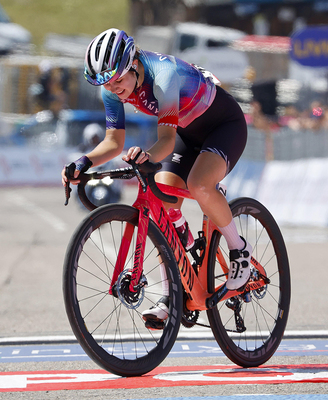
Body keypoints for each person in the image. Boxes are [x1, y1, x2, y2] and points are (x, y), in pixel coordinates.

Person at [61, 28, 252, 326]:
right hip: (186, 133)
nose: (114, 89)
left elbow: (164, 140)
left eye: (118, 81)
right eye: (107, 84)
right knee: (162, 199)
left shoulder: (163, 75)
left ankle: (239, 250)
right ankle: (173, 290)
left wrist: (147, 156)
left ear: (134, 64)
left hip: (223, 126)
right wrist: (82, 162)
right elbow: (114, 142)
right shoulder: (111, 87)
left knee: (199, 184)